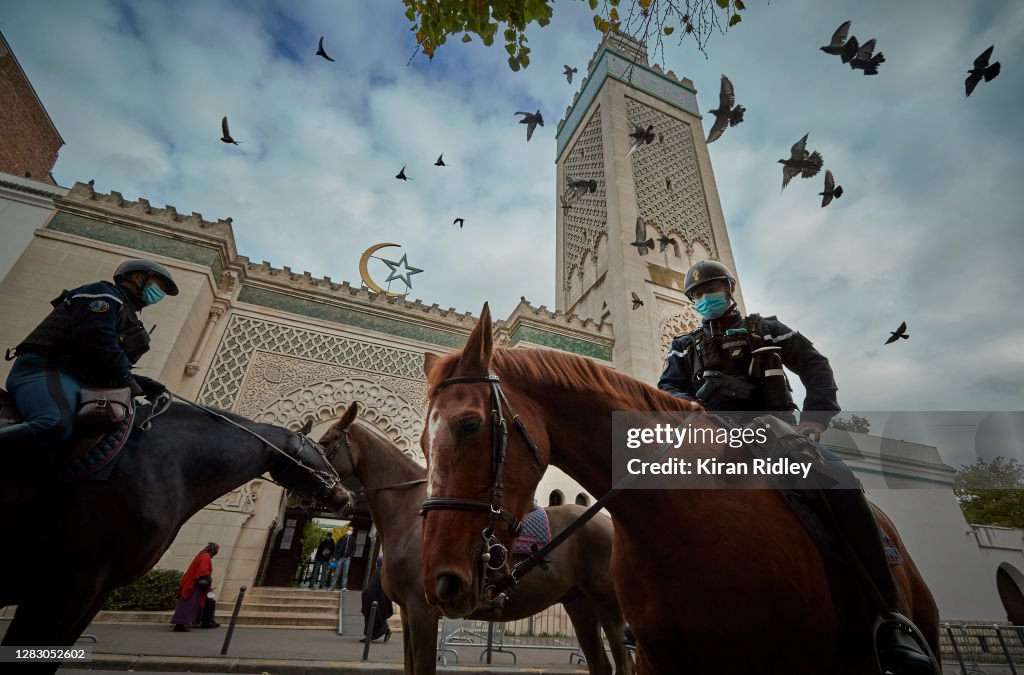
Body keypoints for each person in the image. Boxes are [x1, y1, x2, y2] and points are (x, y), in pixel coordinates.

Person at [658, 260, 936, 675]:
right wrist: (697, 411)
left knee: (839, 480)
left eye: (712, 289)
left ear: (729, 290)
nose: (705, 298)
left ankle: (889, 617)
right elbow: (667, 389)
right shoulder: (684, 346)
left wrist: (814, 419)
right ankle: (654, 608)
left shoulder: (766, 329)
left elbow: (815, 365)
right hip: (713, 437)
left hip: (774, 431)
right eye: (697, 294)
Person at [1, 259, 178, 452]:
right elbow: (96, 338)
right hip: (43, 368)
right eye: (159, 286)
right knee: (54, 423)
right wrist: (125, 377)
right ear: (138, 278)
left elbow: (102, 362)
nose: (160, 294)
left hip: (77, 379)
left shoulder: (128, 313)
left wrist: (138, 381)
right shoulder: (101, 293)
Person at [171, 542, 220, 631]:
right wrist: (209, 580)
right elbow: (203, 571)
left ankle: (191, 622)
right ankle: (180, 624)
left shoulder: (201, 555)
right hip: (194, 584)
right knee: (189, 603)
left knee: (193, 603)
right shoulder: (206, 557)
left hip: (192, 582)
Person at [359, 554, 392, 643]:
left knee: (375, 616)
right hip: (378, 599)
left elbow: (372, 588)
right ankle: (380, 632)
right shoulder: (382, 572)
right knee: (376, 616)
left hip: (376, 599)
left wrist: (366, 594)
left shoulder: (379, 572)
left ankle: (374, 635)